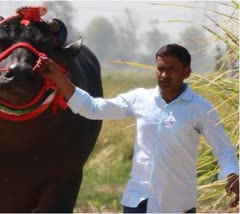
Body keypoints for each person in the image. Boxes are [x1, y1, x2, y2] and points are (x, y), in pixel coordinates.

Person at [34, 44, 239, 213]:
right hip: (138, 201)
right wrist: (58, 77)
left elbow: (223, 149)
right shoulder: (140, 99)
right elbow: (93, 108)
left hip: (177, 205)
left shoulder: (200, 108)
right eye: (160, 68)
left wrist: (232, 175)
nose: (164, 75)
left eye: (172, 69)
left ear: (187, 72)